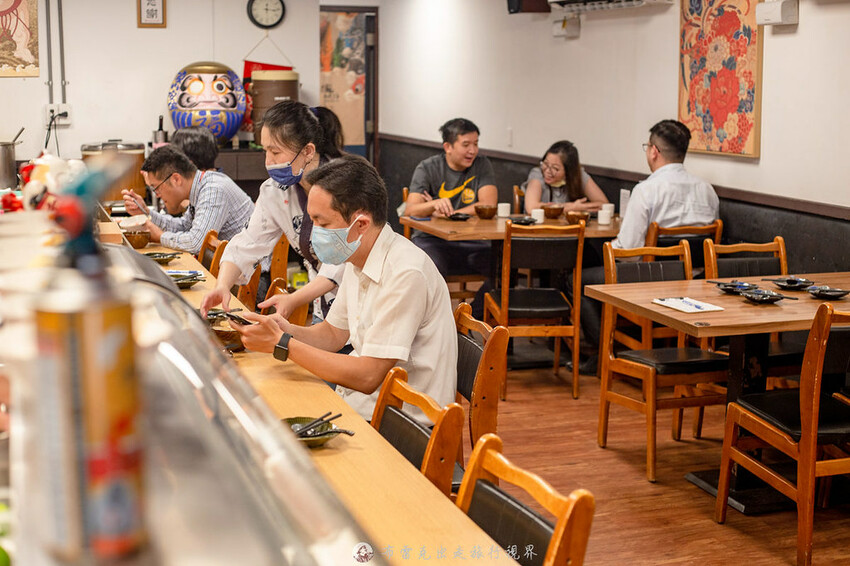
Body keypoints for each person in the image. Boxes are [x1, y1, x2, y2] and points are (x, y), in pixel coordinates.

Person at [233, 155, 457, 423]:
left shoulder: (406, 272)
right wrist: (283, 329)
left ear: (360, 224)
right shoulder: (357, 256)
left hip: (404, 424)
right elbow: (332, 334)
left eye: (323, 223)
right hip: (365, 404)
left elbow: (368, 375)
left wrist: (283, 344)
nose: (314, 234)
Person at [575, 119, 719, 375]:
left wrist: (608, 246)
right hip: (695, 282)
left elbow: (628, 253)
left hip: (650, 284)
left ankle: (602, 355)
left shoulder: (647, 190)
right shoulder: (707, 190)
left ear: (653, 151)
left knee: (581, 279)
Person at [200, 101, 346, 322]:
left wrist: (294, 299)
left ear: (308, 151)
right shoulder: (274, 191)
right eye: (265, 150)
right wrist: (222, 286)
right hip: (323, 306)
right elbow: (247, 243)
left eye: (275, 152)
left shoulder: (345, 185)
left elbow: (342, 262)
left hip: (361, 298)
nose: (268, 161)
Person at [404, 118, 498, 317]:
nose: (472, 150)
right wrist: (433, 204)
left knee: (504, 264)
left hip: (472, 241)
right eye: (466, 145)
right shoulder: (428, 168)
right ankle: (438, 322)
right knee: (429, 267)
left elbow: (488, 203)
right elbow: (410, 210)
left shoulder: (482, 165)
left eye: (476, 144)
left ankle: (470, 318)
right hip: (433, 241)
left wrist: (451, 214)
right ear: (448, 146)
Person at [121, 145, 253, 254]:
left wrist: (160, 237)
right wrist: (145, 213)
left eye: (156, 188)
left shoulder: (214, 190)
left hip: (252, 279)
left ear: (176, 179)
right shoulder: (201, 185)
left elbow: (195, 243)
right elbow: (183, 226)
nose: (157, 195)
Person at [523, 140, 608, 214]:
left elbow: (604, 205)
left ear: (569, 171)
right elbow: (532, 208)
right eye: (545, 164)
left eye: (555, 168)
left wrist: (580, 207)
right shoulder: (537, 174)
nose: (548, 171)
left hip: (569, 229)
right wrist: (571, 207)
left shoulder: (578, 175)